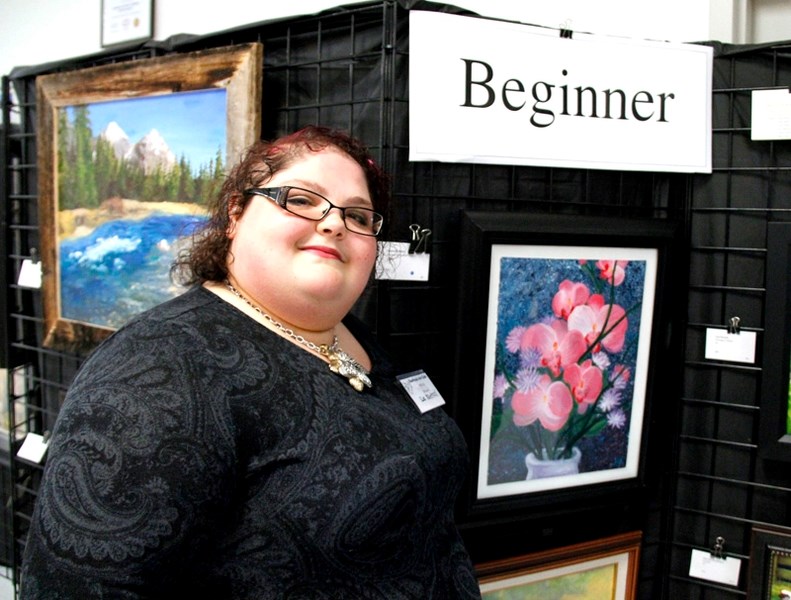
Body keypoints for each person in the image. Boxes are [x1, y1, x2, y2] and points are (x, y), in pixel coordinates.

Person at [20, 125, 482, 599]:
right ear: (234, 217)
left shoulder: (352, 337)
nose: (334, 222)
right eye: (302, 199)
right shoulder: (156, 371)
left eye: (359, 215)